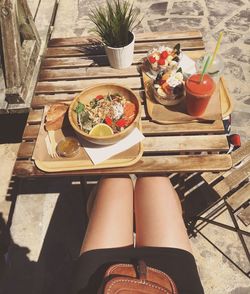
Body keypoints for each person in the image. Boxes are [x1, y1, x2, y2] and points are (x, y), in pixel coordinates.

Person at [72, 176, 204, 294]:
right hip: (175, 283)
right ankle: (135, 218)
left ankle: (130, 218)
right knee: (155, 179)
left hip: (98, 282)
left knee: (115, 179)